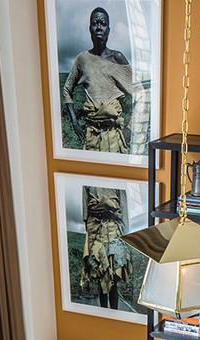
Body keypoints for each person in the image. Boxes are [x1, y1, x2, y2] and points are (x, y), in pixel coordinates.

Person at [62, 7, 144, 154]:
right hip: (91, 137)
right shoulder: (82, 59)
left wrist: (130, 129)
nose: (99, 27)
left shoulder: (117, 58)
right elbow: (67, 89)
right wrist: (75, 124)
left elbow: (141, 94)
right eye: (95, 23)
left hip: (115, 138)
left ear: (108, 29)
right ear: (90, 29)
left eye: (103, 23)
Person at [81, 185, 132, 309]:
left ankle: (114, 312)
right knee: (100, 274)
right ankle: (104, 313)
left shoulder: (119, 183)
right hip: (96, 229)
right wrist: (89, 231)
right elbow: (85, 211)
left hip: (114, 229)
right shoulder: (87, 182)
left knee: (113, 275)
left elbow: (123, 206)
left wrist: (125, 232)